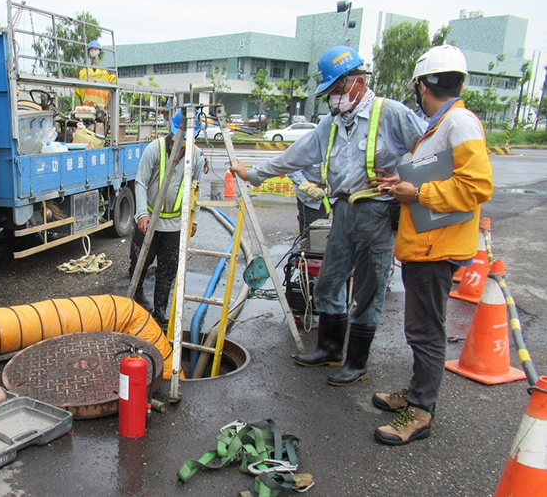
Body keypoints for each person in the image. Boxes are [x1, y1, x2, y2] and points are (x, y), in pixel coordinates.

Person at [230, 45, 425, 386]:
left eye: (337, 89)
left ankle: (356, 362)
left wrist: (407, 182)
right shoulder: (331, 124)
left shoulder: (391, 113)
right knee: (329, 282)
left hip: (378, 212)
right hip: (344, 210)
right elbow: (295, 156)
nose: (334, 98)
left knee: (369, 288)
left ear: (357, 82)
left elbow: (430, 148)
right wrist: (254, 173)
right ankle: (331, 348)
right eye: (331, 92)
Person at [371, 45, 493, 445]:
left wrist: (416, 193)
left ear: (423, 86)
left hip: (436, 247)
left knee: (425, 330)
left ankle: (421, 410)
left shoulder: (458, 124)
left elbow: (476, 187)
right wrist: (398, 185)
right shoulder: (442, 125)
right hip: (427, 243)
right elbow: (439, 177)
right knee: (420, 327)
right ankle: (418, 390)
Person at [130, 108, 204, 323]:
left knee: (168, 269)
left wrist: (194, 219)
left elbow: (195, 190)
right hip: (150, 221)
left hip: (175, 224)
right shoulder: (155, 149)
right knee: (139, 263)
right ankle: (136, 295)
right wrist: (142, 213)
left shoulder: (196, 156)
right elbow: (141, 182)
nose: (181, 141)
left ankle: (160, 309)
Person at [76, 40, 117, 108]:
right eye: (91, 50)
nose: (93, 51)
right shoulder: (83, 72)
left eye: (95, 49)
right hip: (87, 109)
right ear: (89, 52)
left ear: (99, 51)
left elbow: (112, 84)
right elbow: (78, 92)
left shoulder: (105, 73)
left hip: (100, 109)